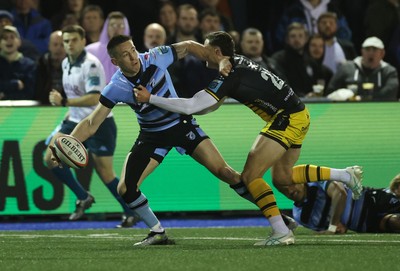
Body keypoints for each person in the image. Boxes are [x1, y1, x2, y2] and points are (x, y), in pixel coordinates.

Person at [51, 34, 298, 247]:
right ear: (115, 62)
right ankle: (157, 231)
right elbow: (93, 122)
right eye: (125, 55)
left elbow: (189, 45)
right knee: (125, 188)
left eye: (134, 50)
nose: (134, 57)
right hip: (151, 136)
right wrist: (69, 144)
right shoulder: (116, 86)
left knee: (225, 172)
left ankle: (276, 216)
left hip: (181, 125)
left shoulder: (155, 56)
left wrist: (222, 58)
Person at [135, 30, 364, 245]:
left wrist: (151, 98)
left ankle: (281, 231)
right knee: (283, 178)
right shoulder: (236, 61)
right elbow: (203, 96)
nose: (202, 54)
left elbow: (193, 106)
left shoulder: (228, 74)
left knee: (250, 176)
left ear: (217, 53)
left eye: (207, 50)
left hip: (285, 118)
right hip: (298, 114)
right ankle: (344, 175)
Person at [44, 25, 137, 228]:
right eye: (66, 41)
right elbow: (77, 96)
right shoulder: (65, 63)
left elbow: (95, 97)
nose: (69, 44)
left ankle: (130, 212)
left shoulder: (91, 64)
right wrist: (67, 114)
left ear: (83, 41)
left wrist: (64, 102)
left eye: (73, 40)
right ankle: (83, 196)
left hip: (98, 123)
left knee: (106, 173)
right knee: (50, 159)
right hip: (74, 121)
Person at [277, 173, 400, 233]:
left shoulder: (316, 180)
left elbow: (340, 193)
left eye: (292, 184)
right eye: (284, 189)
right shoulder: (300, 216)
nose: (290, 190)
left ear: (301, 180)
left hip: (371, 201)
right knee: (395, 222)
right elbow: (338, 229)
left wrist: (333, 225)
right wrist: (336, 228)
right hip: (366, 224)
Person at [325, 36, 399, 101]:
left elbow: (390, 93)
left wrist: (364, 99)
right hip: (349, 108)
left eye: (374, 49)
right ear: (362, 51)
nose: (371, 53)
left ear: (382, 53)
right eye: (367, 49)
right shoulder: (347, 68)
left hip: (379, 110)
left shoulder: (389, 71)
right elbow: (331, 90)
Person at [86, 11, 130, 83]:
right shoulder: (90, 50)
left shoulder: (133, 54)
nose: (116, 29)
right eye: (113, 25)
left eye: (121, 26)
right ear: (106, 27)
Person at [0, 25, 36, 100]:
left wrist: (5, 96)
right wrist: (15, 84)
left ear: (19, 42)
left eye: (12, 37)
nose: (9, 40)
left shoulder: (29, 65)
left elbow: (29, 93)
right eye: (5, 38)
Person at [34, 30, 66, 105]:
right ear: (49, 46)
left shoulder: (74, 66)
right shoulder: (40, 65)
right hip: (44, 105)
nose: (58, 48)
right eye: (55, 44)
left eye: (62, 45)